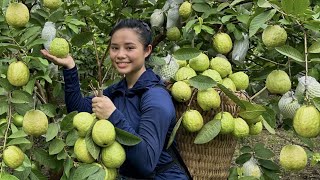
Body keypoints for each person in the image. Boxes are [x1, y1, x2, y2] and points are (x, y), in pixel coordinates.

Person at [41, 19, 189, 179]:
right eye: (114, 48)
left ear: (147, 51)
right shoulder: (120, 90)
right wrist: (70, 67)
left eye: (130, 48)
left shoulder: (156, 98)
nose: (120, 55)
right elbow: (78, 111)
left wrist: (112, 115)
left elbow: (146, 163)